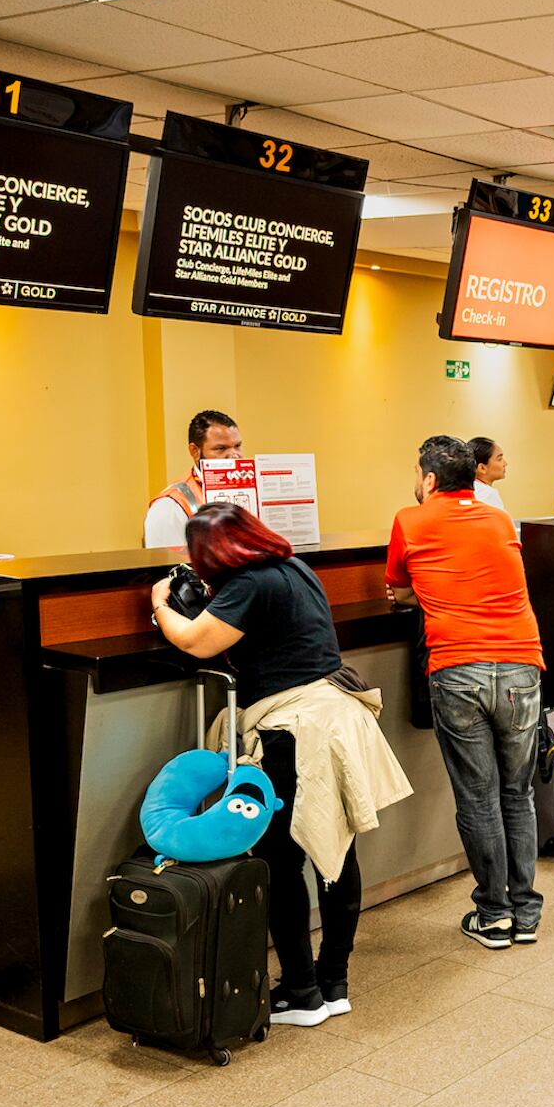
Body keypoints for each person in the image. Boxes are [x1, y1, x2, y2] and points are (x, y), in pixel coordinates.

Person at [151, 502, 409, 1025]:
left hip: (294, 730)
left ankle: (301, 991)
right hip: (335, 714)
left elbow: (196, 641)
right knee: (336, 854)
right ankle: (334, 983)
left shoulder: (248, 584)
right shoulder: (292, 568)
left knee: (281, 860)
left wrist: (161, 602)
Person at [386, 436, 548, 950]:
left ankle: (494, 914)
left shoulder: (410, 521)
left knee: (478, 798)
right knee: (516, 792)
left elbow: (401, 589)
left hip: (458, 668)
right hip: (522, 666)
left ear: (429, 480)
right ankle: (525, 911)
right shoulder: (499, 520)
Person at [145, 409, 242, 548]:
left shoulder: (253, 491)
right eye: (221, 448)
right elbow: (169, 567)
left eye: (237, 446)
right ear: (195, 451)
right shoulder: (169, 506)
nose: (234, 456)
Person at [469, 436, 508, 511]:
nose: (505, 463)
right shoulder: (487, 494)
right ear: (482, 468)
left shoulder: (468, 489)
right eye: (499, 459)